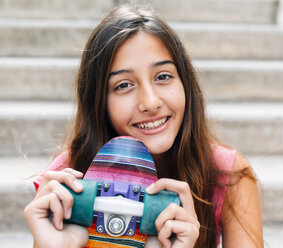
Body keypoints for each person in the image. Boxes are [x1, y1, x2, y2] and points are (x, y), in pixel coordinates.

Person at [24, 5, 263, 248]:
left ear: (186, 84)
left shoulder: (227, 174)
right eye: (124, 85)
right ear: (98, 102)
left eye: (163, 76)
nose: (150, 102)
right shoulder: (67, 182)